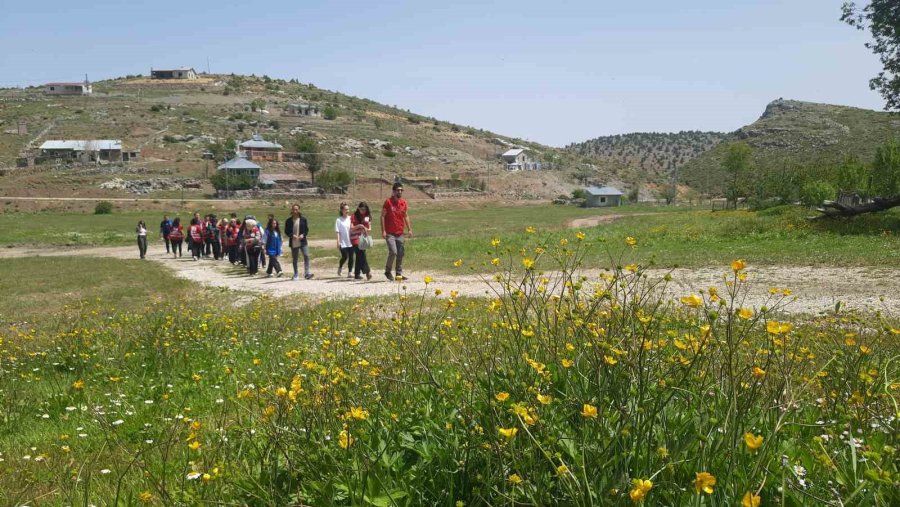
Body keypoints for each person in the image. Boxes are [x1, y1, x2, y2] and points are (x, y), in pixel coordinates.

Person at [381, 182, 412, 281]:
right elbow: (382, 216)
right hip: (390, 233)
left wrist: (409, 229)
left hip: (400, 232)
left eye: (401, 190)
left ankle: (398, 274)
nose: (400, 192)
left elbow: (406, 216)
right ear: (393, 191)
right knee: (393, 252)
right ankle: (387, 271)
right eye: (398, 190)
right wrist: (383, 231)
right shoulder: (388, 202)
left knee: (400, 253)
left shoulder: (403, 203)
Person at [284, 204, 314, 280]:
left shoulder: (303, 219)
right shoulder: (288, 221)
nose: (295, 211)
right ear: (291, 210)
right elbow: (286, 231)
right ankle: (296, 274)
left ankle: (307, 273)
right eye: (293, 209)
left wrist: (303, 235)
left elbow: (306, 230)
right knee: (295, 259)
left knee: (306, 255)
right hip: (294, 241)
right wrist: (292, 235)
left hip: (303, 241)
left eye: (296, 209)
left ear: (299, 210)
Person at [350, 201, 372, 280]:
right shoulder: (354, 216)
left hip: (362, 238)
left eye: (365, 209)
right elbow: (352, 229)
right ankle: (367, 272)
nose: (363, 211)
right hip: (354, 238)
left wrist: (365, 228)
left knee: (360, 255)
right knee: (361, 253)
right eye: (362, 209)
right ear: (358, 208)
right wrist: (360, 226)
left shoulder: (367, 216)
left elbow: (369, 228)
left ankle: (357, 274)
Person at [335, 202, 354, 278]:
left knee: (351, 257)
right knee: (345, 256)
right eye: (346, 209)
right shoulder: (338, 220)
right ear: (342, 210)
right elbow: (337, 232)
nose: (347, 210)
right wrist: (338, 241)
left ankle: (350, 272)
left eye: (348, 209)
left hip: (351, 241)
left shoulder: (351, 218)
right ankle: (340, 267)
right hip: (343, 242)